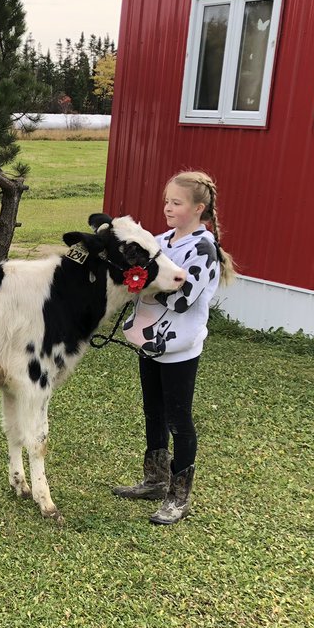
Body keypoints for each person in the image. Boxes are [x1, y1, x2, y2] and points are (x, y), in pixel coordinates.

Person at [112, 170, 237, 525]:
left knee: (178, 418)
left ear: (199, 209)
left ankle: (179, 495)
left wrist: (144, 282)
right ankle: (155, 478)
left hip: (179, 348)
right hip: (150, 340)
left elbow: (181, 300)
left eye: (176, 203)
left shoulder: (203, 249)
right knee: (153, 410)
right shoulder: (162, 240)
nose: (168, 208)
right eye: (167, 201)